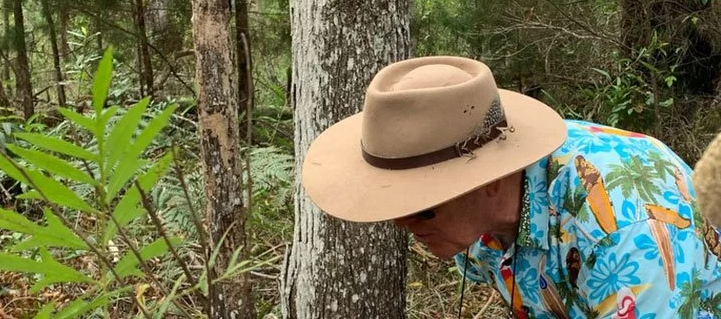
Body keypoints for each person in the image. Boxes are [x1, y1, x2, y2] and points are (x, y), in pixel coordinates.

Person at [302, 56, 721, 318]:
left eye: (423, 206)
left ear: (490, 178)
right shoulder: (474, 227)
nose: (403, 222)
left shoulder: (623, 229)